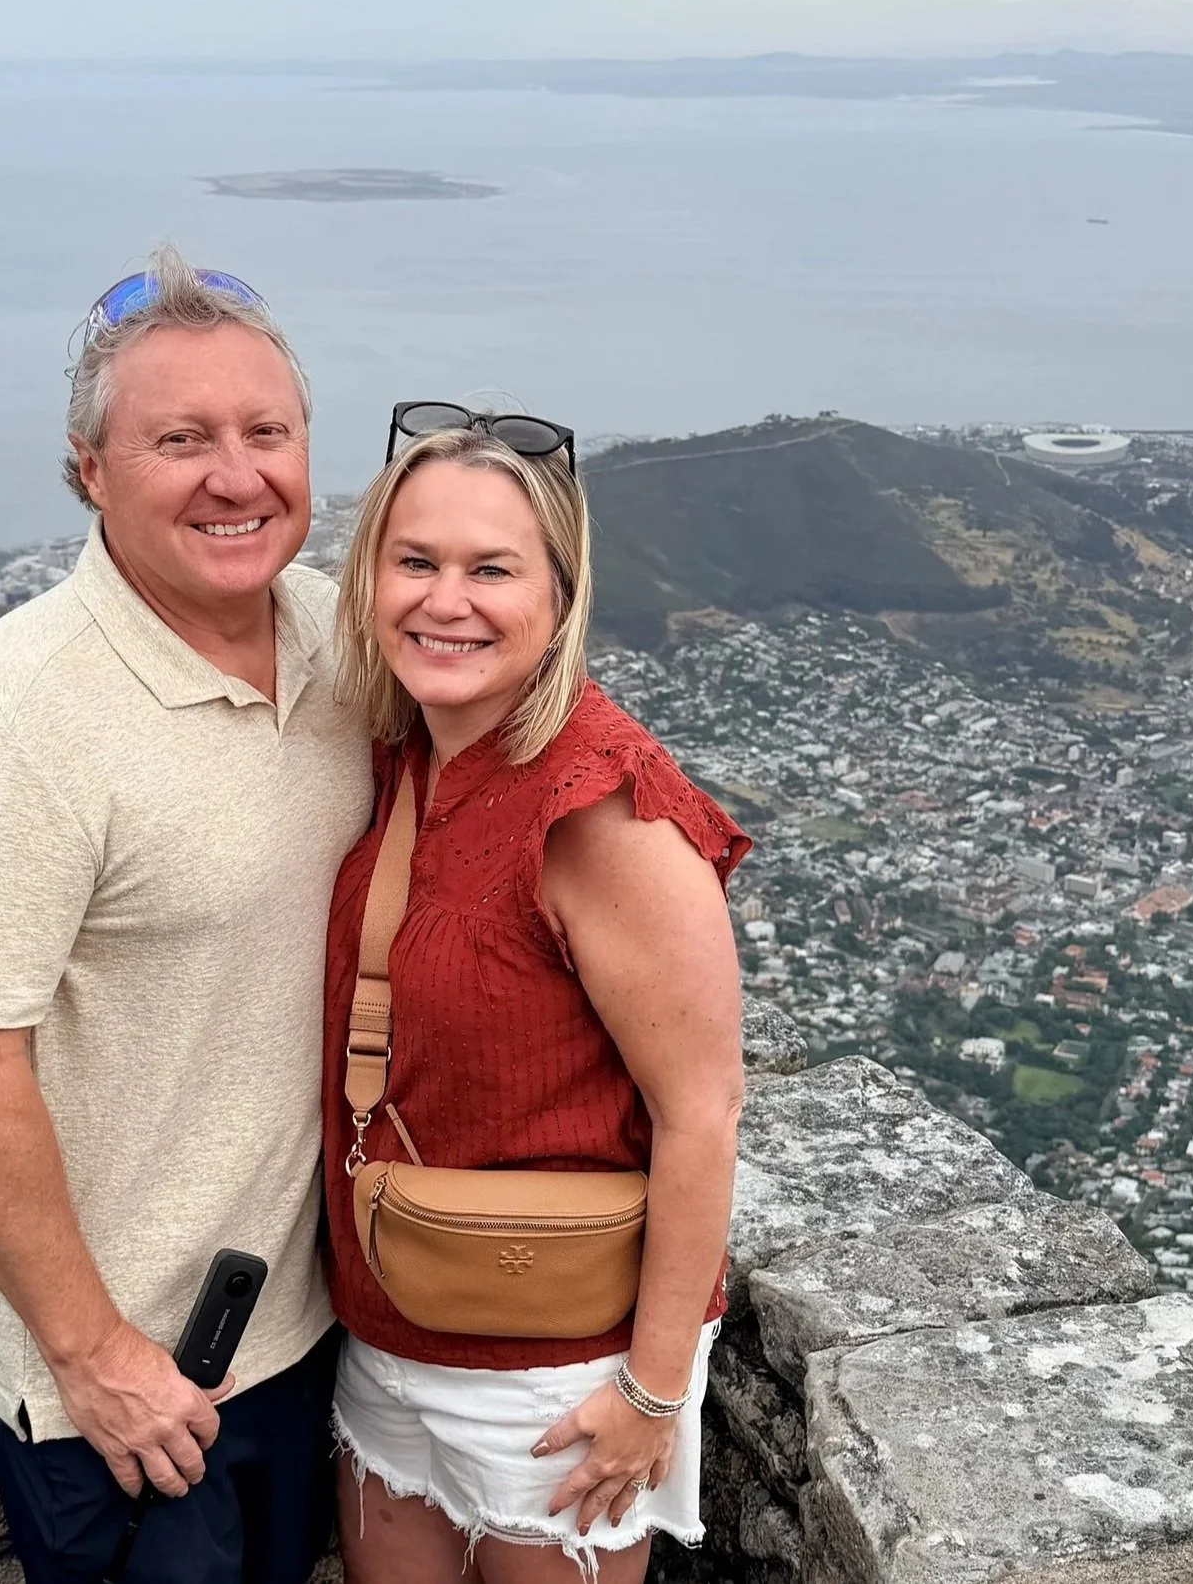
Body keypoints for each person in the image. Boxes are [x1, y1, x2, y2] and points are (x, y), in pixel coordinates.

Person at [0, 248, 374, 1584]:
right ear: (91, 468)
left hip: (304, 1319)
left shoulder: (338, 641)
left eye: (267, 431)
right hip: (136, 1383)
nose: (236, 473)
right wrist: (96, 1355)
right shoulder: (16, 725)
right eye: (180, 438)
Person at [319, 410, 751, 1582]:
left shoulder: (598, 809)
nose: (443, 600)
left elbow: (702, 1109)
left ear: (559, 596)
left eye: (490, 570)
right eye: (414, 562)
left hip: (559, 1378)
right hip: (388, 1330)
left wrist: (653, 1391)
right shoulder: (415, 749)